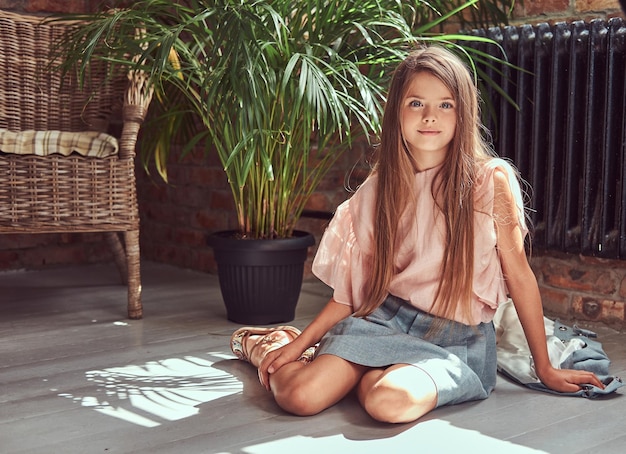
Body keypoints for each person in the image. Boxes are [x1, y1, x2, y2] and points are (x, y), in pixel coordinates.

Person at [229, 45, 605, 424]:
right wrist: (300, 344)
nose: (430, 116)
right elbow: (350, 294)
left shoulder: (490, 181)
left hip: (458, 338)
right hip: (385, 319)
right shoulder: (378, 191)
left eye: (446, 105)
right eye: (415, 103)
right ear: (397, 111)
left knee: (388, 403)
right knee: (299, 396)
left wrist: (544, 367)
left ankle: (367, 372)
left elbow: (519, 274)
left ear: (463, 113)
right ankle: (270, 344)